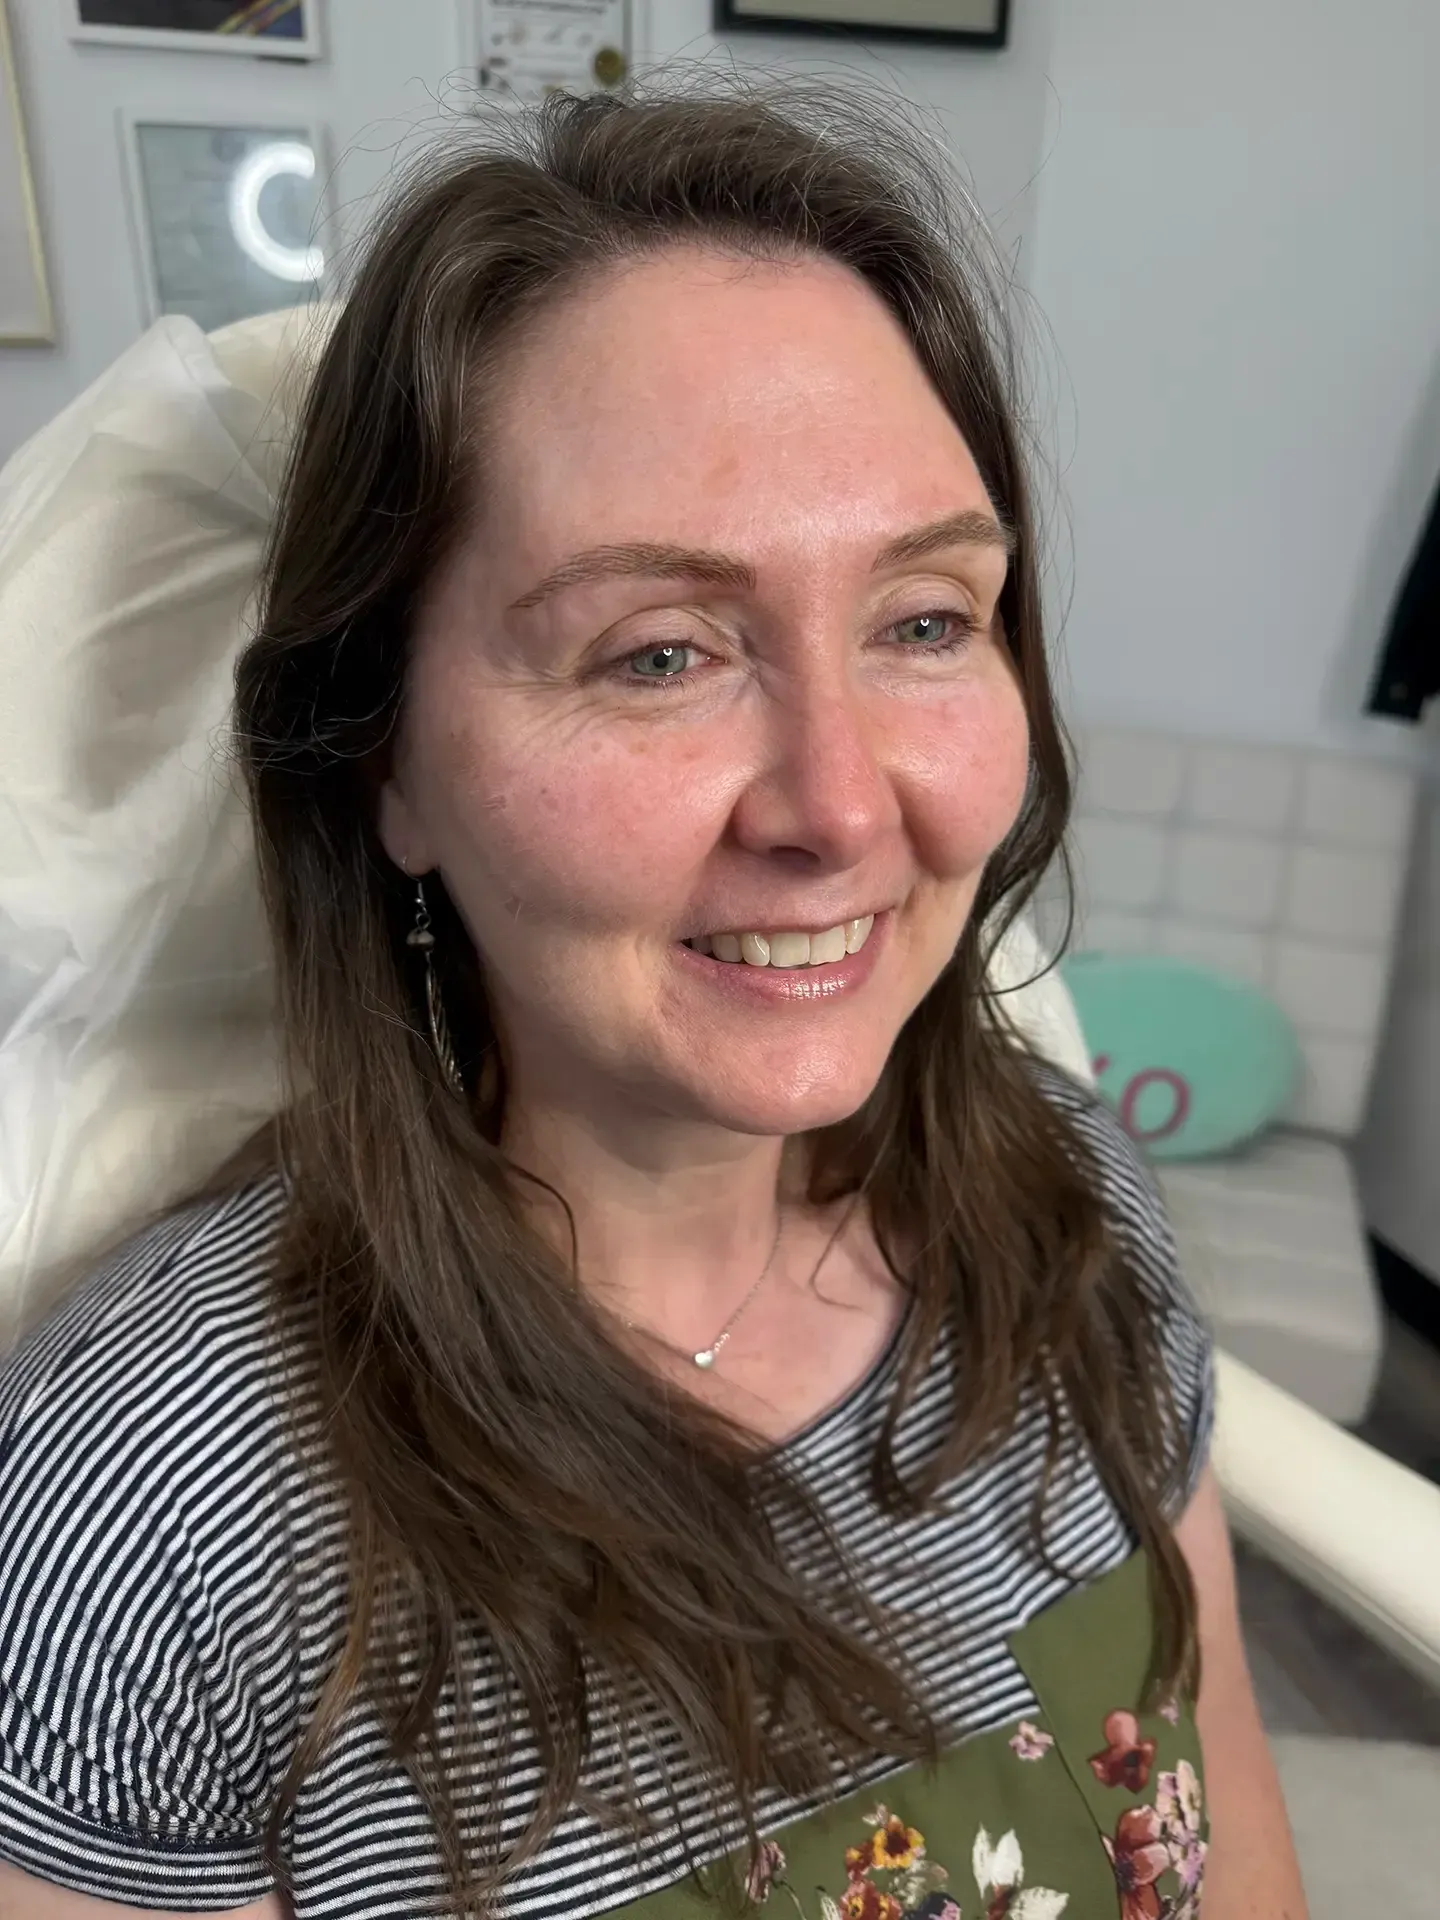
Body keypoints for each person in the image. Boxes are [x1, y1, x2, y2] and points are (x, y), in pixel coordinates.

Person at [0, 82, 1305, 1920]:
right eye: (663, 652)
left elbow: (1228, 1811)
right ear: (383, 756)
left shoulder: (1065, 1203)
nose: (844, 808)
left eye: (926, 621)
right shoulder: (158, 1516)